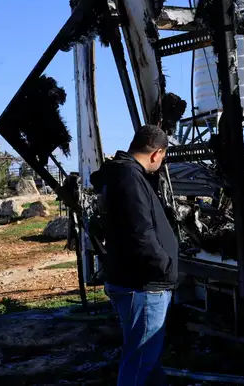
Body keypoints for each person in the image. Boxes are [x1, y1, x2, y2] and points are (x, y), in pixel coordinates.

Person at [90, 125, 177, 385]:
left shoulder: (123, 174)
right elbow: (141, 233)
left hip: (136, 282)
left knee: (147, 358)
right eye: (162, 157)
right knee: (139, 360)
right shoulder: (129, 177)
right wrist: (165, 267)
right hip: (143, 285)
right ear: (156, 153)